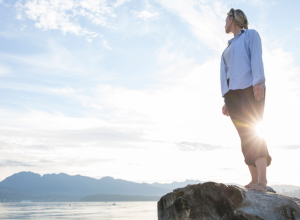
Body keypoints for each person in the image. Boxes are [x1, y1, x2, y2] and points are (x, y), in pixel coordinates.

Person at [220, 8, 272, 192]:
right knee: (244, 134)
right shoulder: (229, 45)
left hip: (250, 87)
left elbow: (256, 58)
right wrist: (226, 98)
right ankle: (253, 179)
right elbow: (228, 73)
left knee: (253, 130)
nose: (224, 23)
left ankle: (263, 181)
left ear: (232, 19)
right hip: (232, 94)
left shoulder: (250, 35)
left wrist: (259, 81)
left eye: (226, 19)